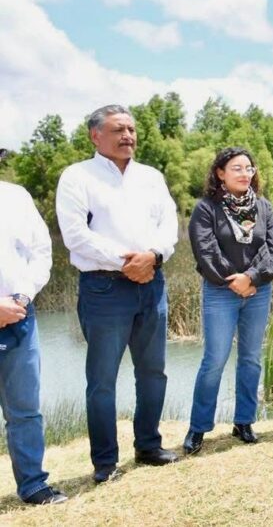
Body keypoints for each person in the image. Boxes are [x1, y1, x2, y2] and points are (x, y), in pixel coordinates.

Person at [56, 104, 180, 483]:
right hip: (105, 288)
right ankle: (105, 462)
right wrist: (127, 261)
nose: (128, 136)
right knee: (103, 379)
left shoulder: (151, 176)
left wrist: (154, 256)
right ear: (96, 136)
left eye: (131, 129)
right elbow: (76, 235)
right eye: (118, 130)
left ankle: (148, 445)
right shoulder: (77, 177)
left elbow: (169, 222)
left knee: (153, 371)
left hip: (152, 284)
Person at [183, 147, 273, 454]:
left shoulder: (263, 207)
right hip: (220, 291)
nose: (244, 173)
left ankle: (244, 421)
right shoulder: (206, 208)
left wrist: (251, 277)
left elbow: (272, 251)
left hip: (258, 291)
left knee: (251, 358)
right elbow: (206, 251)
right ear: (220, 173)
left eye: (249, 168)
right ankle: (198, 427)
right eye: (236, 168)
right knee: (214, 359)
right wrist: (235, 280)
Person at [0, 181, 67, 504]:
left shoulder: (16, 196)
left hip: (19, 315)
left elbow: (41, 252)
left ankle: (33, 484)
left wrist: (22, 297)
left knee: (25, 408)